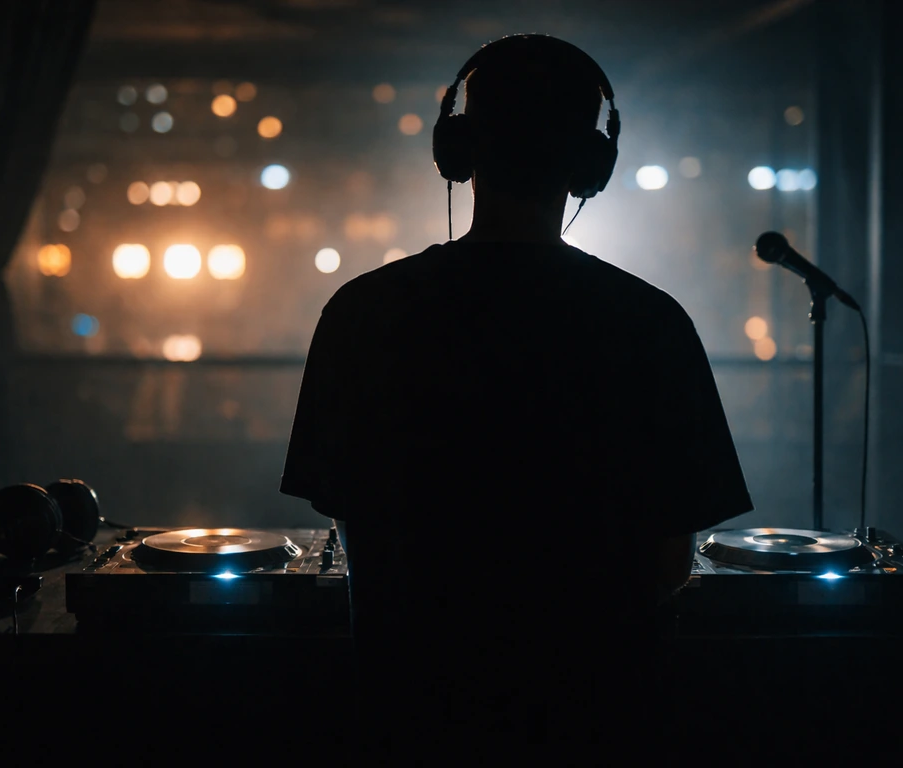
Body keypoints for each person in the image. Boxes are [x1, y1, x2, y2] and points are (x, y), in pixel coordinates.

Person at [280, 34, 752, 761]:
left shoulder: (364, 312)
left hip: (411, 714)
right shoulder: (651, 322)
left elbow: (354, 527)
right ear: (590, 167)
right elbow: (671, 564)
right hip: (602, 717)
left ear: (459, 151)